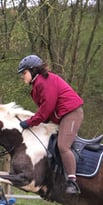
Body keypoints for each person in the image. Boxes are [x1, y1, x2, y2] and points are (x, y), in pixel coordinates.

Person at [17, 54, 83, 195]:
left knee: (63, 146)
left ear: (33, 70)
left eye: (24, 73)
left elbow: (45, 110)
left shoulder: (44, 82)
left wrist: (29, 122)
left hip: (71, 113)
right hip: (62, 115)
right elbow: (45, 112)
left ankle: (72, 182)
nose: (23, 76)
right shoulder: (38, 84)